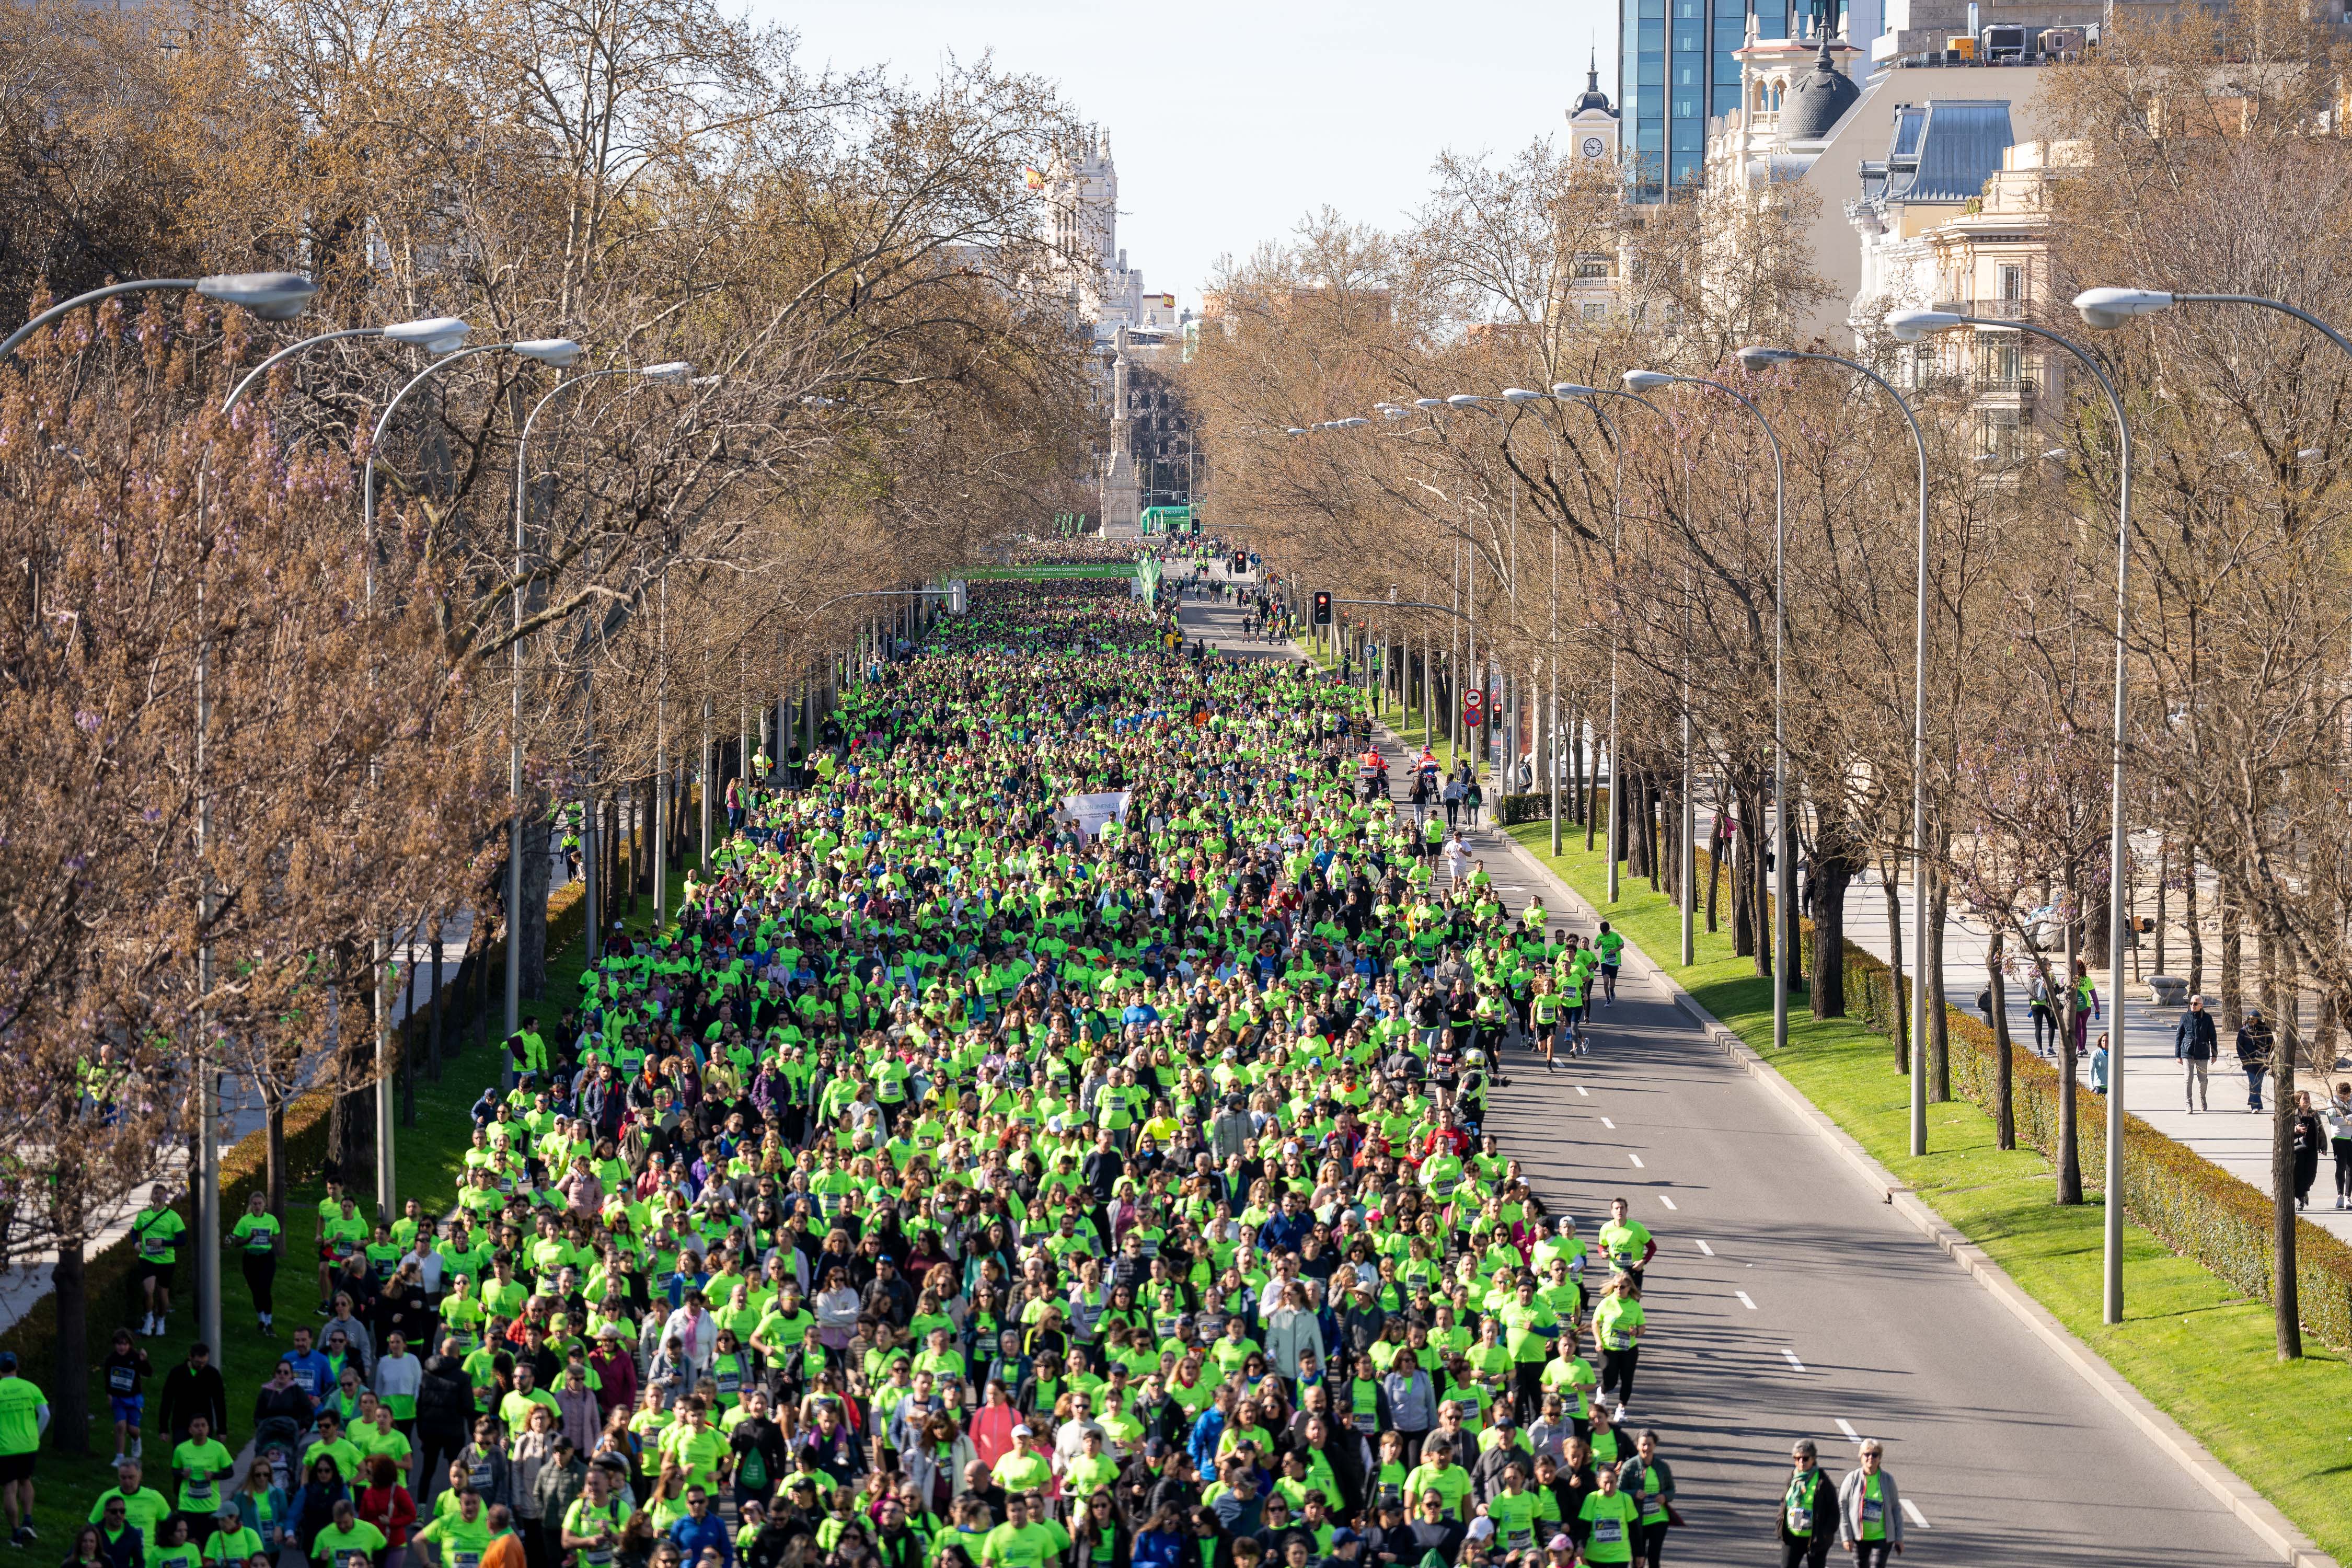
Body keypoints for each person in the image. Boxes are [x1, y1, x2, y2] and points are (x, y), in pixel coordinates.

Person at [0, 1354, 47, 1549]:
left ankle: (16, 1534)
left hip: (5, 1447)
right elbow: (45, 1414)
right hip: (29, 1445)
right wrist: (36, 1436)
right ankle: (28, 1520)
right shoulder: (31, 1387)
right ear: (17, 1367)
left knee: (10, 1488)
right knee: (25, 1481)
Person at [130, 1187, 188, 1339]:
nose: (159, 1196)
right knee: (148, 1291)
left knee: (163, 1296)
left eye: (162, 1194)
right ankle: (149, 1319)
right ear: (152, 1196)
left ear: (166, 1198)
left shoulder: (173, 1217)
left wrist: (163, 1243)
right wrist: (136, 1243)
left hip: (166, 1261)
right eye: (156, 1193)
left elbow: (182, 1240)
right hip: (147, 1259)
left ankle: (161, 1320)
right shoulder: (144, 1215)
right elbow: (134, 1231)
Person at [1834, 1440, 1903, 1565]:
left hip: (1882, 1536)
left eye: (1875, 1455)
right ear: (1861, 1457)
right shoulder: (1852, 1478)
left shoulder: (1888, 1480)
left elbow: (1896, 1509)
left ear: (1880, 1458)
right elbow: (1842, 1505)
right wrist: (1846, 1536)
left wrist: (1899, 1538)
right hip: (1859, 1537)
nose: (1871, 1458)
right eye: (1867, 1454)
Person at [232, 1191, 284, 1338]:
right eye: (254, 1204)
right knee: (256, 1290)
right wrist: (250, 1238)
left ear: (264, 1205)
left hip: (266, 1258)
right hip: (250, 1258)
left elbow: (277, 1235)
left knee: (265, 1289)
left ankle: (269, 1323)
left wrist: (273, 1239)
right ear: (251, 1205)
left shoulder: (271, 1220)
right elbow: (237, 1243)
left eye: (260, 1204)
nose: (257, 1206)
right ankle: (261, 1319)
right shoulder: (245, 1221)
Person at [1774, 1442, 1836, 1568]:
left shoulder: (1823, 1481)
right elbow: (1784, 1502)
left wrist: (1825, 1535)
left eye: (1805, 1458)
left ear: (1813, 1459)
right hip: (1792, 1536)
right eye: (1798, 1458)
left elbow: (1834, 1511)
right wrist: (1780, 1522)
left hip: (1814, 1539)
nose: (1801, 1461)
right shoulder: (1793, 1477)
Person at [2173, 994, 2216, 1114]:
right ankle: (2188, 1105)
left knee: (2203, 1079)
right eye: (2191, 1003)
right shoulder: (2185, 1017)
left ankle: (2202, 1097)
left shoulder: (2207, 1018)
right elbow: (2179, 1037)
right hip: (2187, 1052)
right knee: (2188, 1079)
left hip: (2202, 1052)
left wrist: (2215, 1054)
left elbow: (2213, 1037)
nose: (2193, 1005)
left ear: (2201, 1005)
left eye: (2195, 1004)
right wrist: (2178, 1055)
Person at [2291, 1091, 2326, 1212]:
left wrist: (2323, 1146)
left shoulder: (2314, 1114)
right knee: (2299, 1174)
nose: (2307, 1101)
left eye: (2308, 1098)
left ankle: (2306, 1190)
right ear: (2298, 1101)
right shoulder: (2293, 1114)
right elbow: (2284, 1129)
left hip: (2312, 1148)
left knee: (2311, 1174)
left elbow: (2321, 1130)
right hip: (2298, 1149)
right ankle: (2301, 1200)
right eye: (2304, 1099)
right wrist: (2296, 1129)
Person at [2236, 1007, 2275, 1113]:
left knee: (2258, 1084)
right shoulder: (2243, 1031)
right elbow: (2239, 1047)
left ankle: (2252, 1099)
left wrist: (2268, 1056)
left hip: (2262, 1062)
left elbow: (2272, 1045)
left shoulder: (2266, 1030)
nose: (2251, 1021)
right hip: (2250, 1063)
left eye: (2253, 1019)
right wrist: (2245, 1060)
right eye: (2249, 1019)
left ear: (2258, 1020)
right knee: (2254, 1084)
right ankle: (2256, 1106)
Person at [2328, 1081, 2352, 1211]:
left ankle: (2348, 1197)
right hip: (2338, 1137)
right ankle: (2340, 1196)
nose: (2345, 1099)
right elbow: (2334, 1121)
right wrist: (2349, 1120)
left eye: (2347, 1096)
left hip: (2351, 1137)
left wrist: (2344, 1119)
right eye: (2342, 1097)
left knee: (2351, 1168)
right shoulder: (2332, 1102)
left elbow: (2339, 1120)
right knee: (2341, 1166)